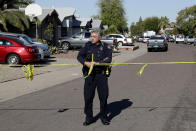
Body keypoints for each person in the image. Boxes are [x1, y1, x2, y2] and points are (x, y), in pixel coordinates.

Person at [77, 29, 112, 126]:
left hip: (101, 75)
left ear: (99, 37)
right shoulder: (87, 45)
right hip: (89, 75)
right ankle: (89, 118)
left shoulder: (105, 46)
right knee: (88, 97)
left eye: (94, 36)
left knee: (103, 97)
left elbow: (108, 59)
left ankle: (104, 117)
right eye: (91, 36)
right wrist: (86, 63)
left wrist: (97, 63)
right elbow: (79, 56)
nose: (92, 38)